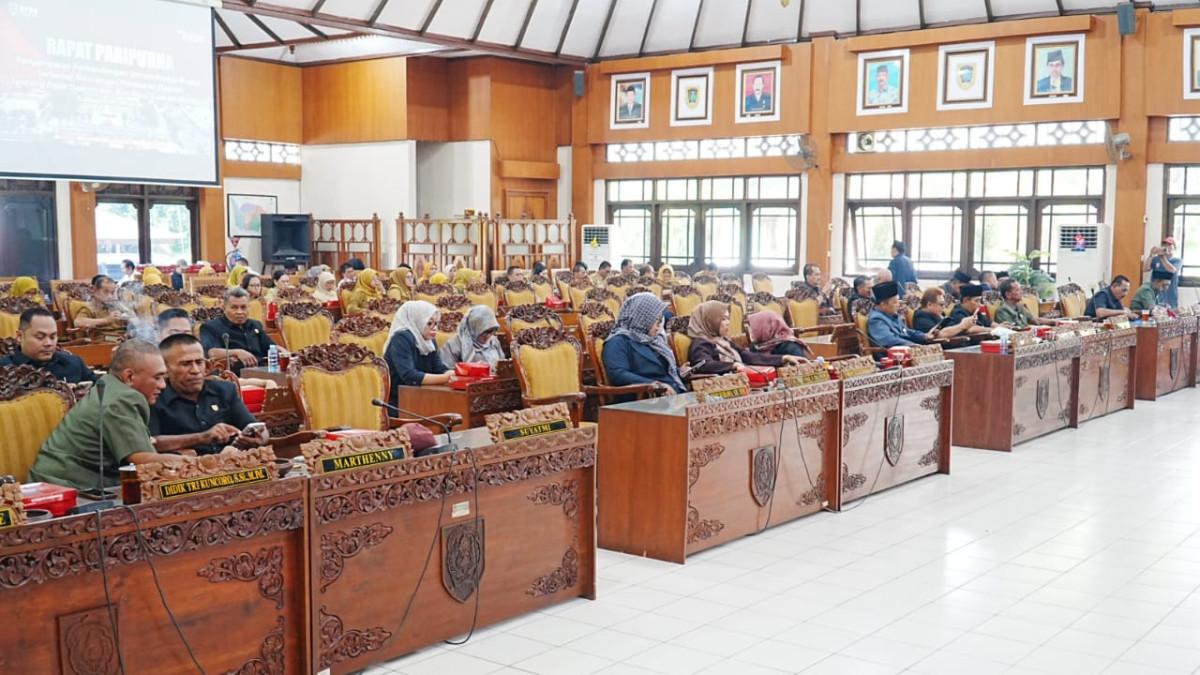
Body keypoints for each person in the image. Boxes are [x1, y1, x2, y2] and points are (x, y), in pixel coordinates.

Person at [29, 340, 184, 489]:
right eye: (157, 377)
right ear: (129, 377)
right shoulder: (123, 398)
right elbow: (143, 461)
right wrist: (197, 463)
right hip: (67, 486)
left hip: (60, 479)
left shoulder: (108, 384)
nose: (163, 385)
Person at [150, 334, 264, 456]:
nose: (195, 370)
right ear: (165, 369)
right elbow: (152, 442)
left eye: (199, 362)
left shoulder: (224, 390)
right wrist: (202, 437)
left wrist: (258, 438)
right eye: (186, 364)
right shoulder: (154, 397)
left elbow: (255, 427)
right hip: (185, 469)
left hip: (232, 464)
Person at [686, 300, 802, 375]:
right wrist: (732, 366)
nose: (728, 322)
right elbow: (703, 365)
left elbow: (748, 356)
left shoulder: (723, 340)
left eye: (728, 318)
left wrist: (782, 358)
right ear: (710, 321)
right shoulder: (701, 343)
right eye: (723, 319)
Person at [602, 293, 685, 394]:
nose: (659, 327)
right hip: (643, 398)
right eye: (657, 322)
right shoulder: (617, 341)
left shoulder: (652, 340)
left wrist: (679, 372)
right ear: (643, 319)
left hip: (670, 395)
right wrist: (654, 385)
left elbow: (662, 369)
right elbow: (618, 374)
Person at [0, 307, 96, 383]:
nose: (48, 343)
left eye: (53, 337)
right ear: (20, 336)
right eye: (40, 337)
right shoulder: (4, 369)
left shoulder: (74, 363)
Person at [384, 301, 452, 405]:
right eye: (429, 323)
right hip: (399, 401)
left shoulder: (429, 340)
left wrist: (455, 374)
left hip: (423, 396)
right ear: (417, 321)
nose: (434, 328)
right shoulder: (401, 338)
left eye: (436, 323)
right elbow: (410, 376)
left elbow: (439, 369)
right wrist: (447, 378)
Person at [199, 287, 279, 371]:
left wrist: (282, 351)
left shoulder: (255, 325)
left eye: (243, 307)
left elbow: (270, 347)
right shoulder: (210, 327)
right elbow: (212, 353)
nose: (239, 312)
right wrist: (237, 352)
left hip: (262, 370)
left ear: (249, 308)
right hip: (234, 375)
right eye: (234, 307)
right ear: (224, 308)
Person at [867, 281, 932, 348]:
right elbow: (890, 341)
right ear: (883, 304)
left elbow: (906, 332)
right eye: (895, 302)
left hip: (907, 349)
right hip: (893, 354)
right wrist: (912, 345)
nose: (898, 305)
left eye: (898, 301)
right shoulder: (876, 320)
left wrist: (924, 336)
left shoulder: (892, 315)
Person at [439, 305, 505, 369]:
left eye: (492, 331)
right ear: (474, 328)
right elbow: (445, 370)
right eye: (485, 332)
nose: (488, 336)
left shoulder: (493, 341)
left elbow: (502, 366)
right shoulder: (455, 344)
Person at [1144, 237, 1182, 308]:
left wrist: (1162, 257)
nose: (1166, 247)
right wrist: (1151, 254)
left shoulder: (1177, 260)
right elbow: (1146, 269)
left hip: (1170, 297)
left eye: (1169, 245)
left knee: (1171, 316)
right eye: (1164, 244)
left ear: (1174, 247)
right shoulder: (1156, 259)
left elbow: (1172, 270)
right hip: (1155, 296)